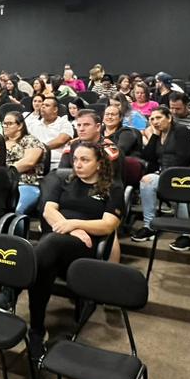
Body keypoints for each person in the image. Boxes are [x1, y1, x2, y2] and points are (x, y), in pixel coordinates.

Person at [14, 142, 125, 348]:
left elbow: (108, 224)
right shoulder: (65, 180)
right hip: (57, 242)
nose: (78, 164)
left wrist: (74, 223)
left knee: (47, 245)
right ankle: (37, 330)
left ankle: (13, 290)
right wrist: (71, 228)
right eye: (75, 159)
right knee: (45, 264)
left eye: (85, 160)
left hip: (87, 246)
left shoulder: (112, 188)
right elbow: (48, 210)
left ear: (99, 164)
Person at [131, 105, 190, 246]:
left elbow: (184, 158)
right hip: (166, 174)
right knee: (146, 181)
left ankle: (189, 235)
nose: (155, 121)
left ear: (169, 118)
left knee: (178, 185)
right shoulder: (158, 134)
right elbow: (148, 156)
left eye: (159, 117)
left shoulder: (180, 131)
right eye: (152, 119)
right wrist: (155, 136)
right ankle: (149, 226)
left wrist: (164, 174)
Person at [0, 111, 46, 215]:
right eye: (4, 123)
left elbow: (29, 162)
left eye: (9, 123)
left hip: (26, 183)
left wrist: (5, 171)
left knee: (17, 210)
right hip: (1, 182)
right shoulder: (0, 142)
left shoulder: (30, 140)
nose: (5, 126)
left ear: (20, 125)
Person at [26, 95, 74, 165]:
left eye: (47, 105)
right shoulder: (33, 124)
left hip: (56, 162)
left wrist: (39, 149)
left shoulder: (64, 123)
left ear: (55, 109)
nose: (42, 107)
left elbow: (61, 140)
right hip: (35, 161)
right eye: (42, 105)